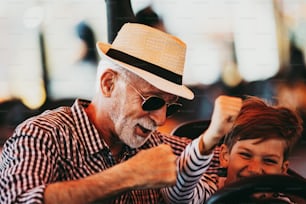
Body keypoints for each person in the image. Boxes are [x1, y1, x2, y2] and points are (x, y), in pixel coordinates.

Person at [0, 23, 242, 203]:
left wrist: (218, 136)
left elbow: (230, 162)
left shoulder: (154, 144)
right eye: (152, 101)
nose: (161, 119)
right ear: (108, 84)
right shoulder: (44, 135)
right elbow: (18, 200)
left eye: (171, 106)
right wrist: (127, 175)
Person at [185, 96, 303, 203]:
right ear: (225, 156)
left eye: (269, 161)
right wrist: (211, 137)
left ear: (283, 170)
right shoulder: (209, 190)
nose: (255, 170)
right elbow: (180, 194)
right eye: (246, 155)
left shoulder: (286, 200)